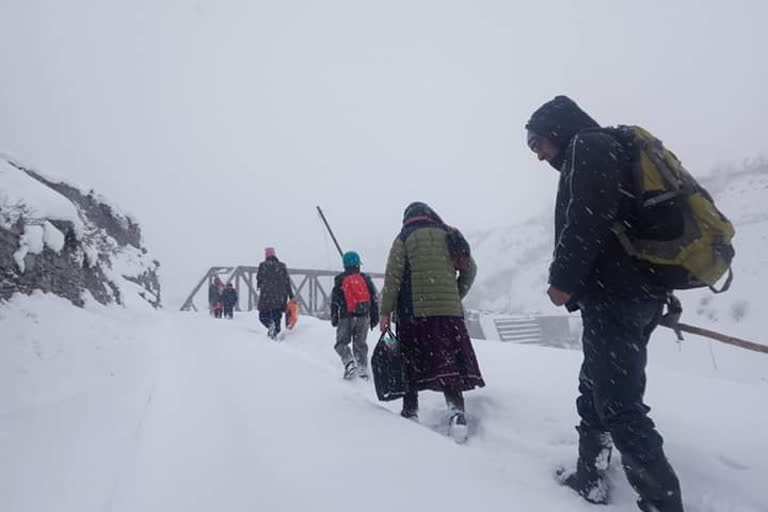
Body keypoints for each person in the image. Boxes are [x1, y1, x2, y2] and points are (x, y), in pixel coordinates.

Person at [525, 95, 683, 512]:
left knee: (619, 405)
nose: (538, 155)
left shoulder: (588, 146)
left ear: (557, 130)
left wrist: (561, 282)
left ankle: (662, 504)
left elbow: (586, 220)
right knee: (596, 385)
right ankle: (590, 475)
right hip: (629, 293)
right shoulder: (604, 149)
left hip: (618, 295)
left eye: (537, 143)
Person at [379, 202, 484, 443]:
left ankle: (410, 411)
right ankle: (457, 414)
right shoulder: (449, 234)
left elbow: (393, 279)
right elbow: (471, 269)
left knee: (410, 361)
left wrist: (385, 313)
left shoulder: (404, 238)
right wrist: (455, 295)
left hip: (414, 312)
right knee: (448, 363)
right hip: (449, 315)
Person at [330, 251, 379, 380]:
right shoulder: (365, 279)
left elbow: (334, 300)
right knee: (360, 344)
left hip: (346, 317)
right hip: (363, 317)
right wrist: (374, 318)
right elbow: (374, 299)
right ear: (358, 264)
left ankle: (349, 363)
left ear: (344, 265)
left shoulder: (340, 280)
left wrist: (334, 317)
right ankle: (362, 369)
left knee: (341, 343)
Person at [257, 247, 294, 339]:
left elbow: (259, 279)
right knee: (277, 317)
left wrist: (261, 285)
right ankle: (275, 333)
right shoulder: (282, 266)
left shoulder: (262, 265)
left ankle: (270, 326)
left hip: (266, 297)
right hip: (280, 298)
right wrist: (291, 296)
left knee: (263, 316)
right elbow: (287, 282)